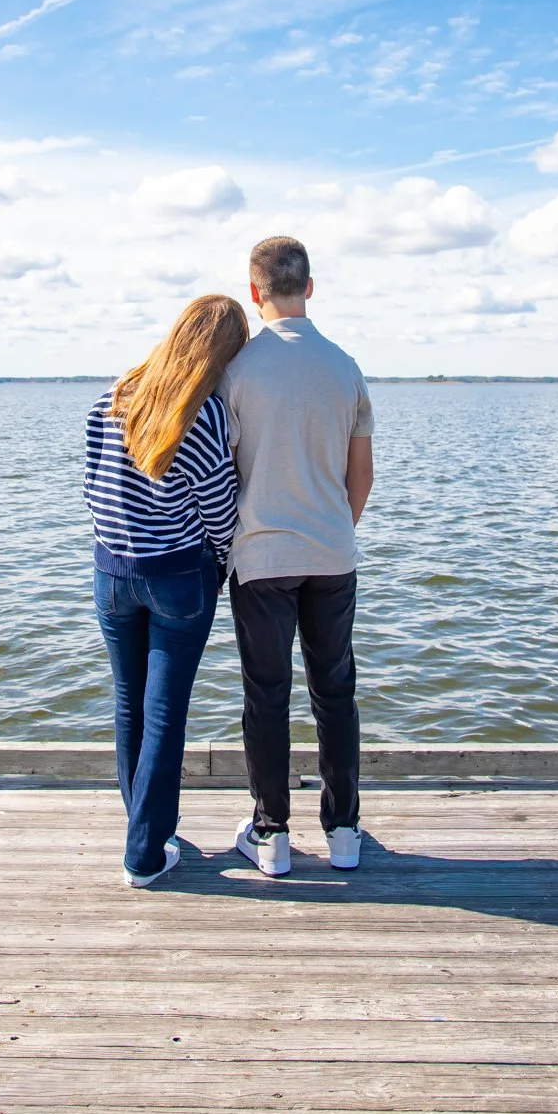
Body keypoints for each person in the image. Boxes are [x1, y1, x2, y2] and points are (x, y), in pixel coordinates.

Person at [218, 237, 374, 877]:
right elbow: (360, 475)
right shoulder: (345, 367)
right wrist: (334, 526)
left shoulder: (236, 372)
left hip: (260, 557)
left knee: (266, 695)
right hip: (331, 551)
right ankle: (342, 832)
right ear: (310, 286)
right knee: (335, 692)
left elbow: (220, 473)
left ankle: (272, 834)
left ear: (255, 293)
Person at [84, 295, 248, 887]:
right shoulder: (204, 413)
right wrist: (222, 566)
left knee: (129, 704)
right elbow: (219, 510)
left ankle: (148, 829)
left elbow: (90, 485)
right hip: (178, 576)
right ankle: (145, 854)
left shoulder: (115, 395)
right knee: (164, 715)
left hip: (111, 572)